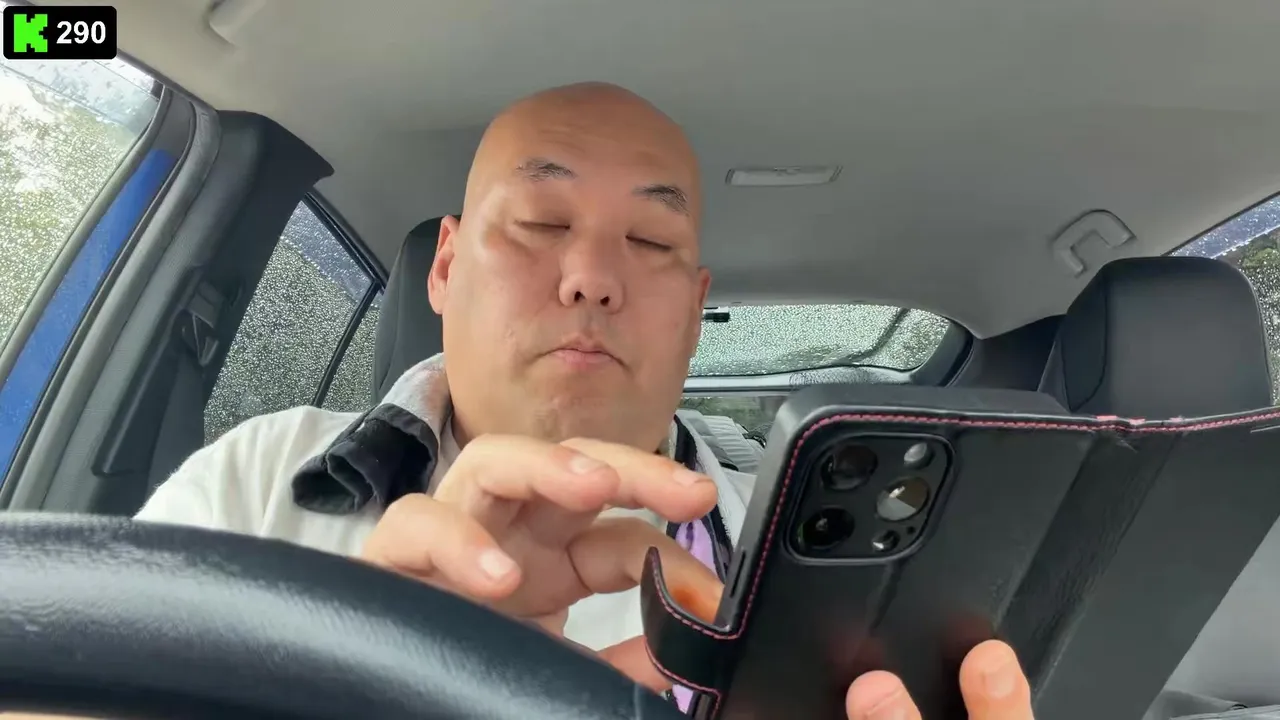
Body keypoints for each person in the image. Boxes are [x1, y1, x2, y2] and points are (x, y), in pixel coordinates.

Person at [3, 82, 1034, 720]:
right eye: (540, 223)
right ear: (446, 266)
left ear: (694, 311)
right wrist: (367, 669)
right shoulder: (257, 479)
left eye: (650, 241)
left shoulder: (798, 575)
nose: (591, 278)